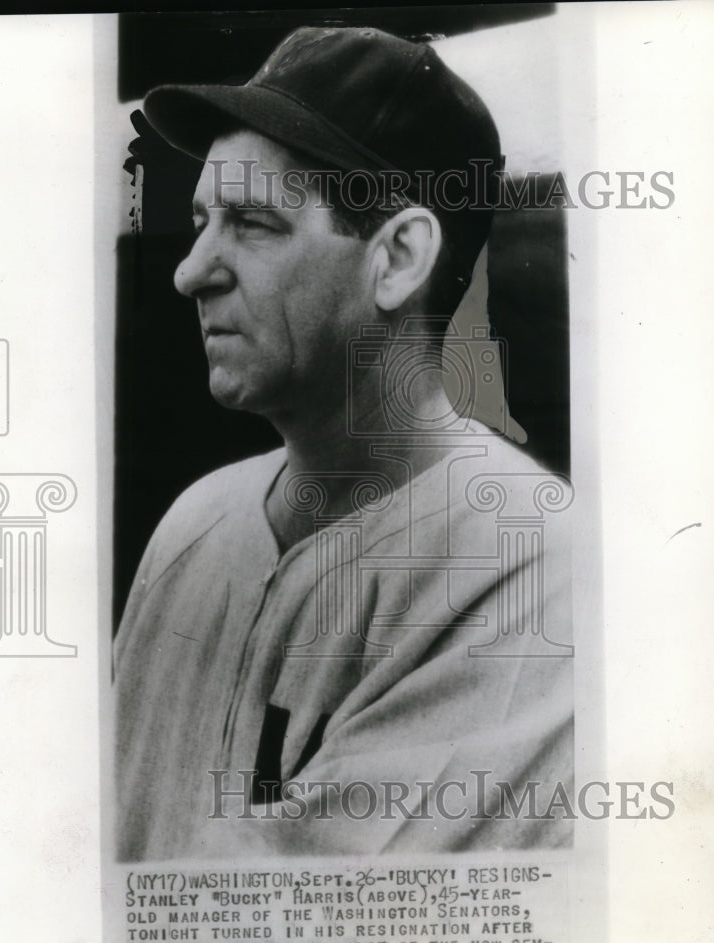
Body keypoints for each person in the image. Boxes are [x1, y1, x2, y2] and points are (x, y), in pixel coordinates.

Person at [115, 25, 574, 860]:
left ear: (397, 258)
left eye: (251, 222)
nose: (190, 271)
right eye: (197, 220)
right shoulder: (195, 522)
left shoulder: (531, 563)